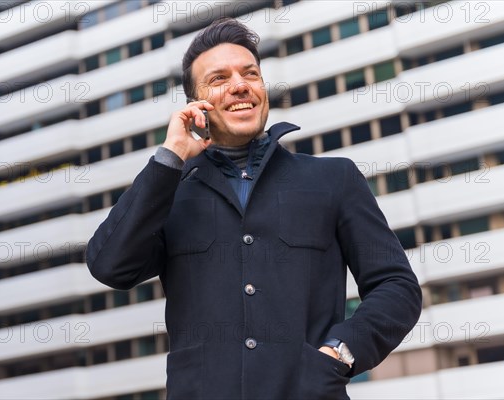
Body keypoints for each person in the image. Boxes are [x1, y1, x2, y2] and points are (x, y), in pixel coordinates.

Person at [86, 18, 422, 400]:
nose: (240, 85)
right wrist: (171, 156)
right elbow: (110, 266)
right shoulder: (170, 193)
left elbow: (397, 287)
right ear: (196, 105)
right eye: (219, 79)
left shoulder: (333, 179)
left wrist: (340, 352)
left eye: (250, 73)